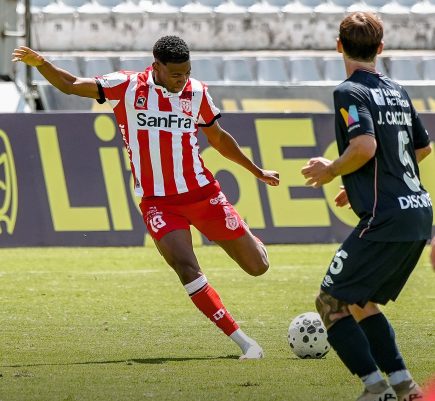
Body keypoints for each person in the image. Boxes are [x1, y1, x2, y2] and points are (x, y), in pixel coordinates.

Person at [12, 36, 280, 359]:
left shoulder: (196, 93)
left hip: (201, 193)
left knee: (257, 266)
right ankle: (244, 342)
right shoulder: (126, 86)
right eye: (176, 74)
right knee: (186, 268)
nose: (182, 80)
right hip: (158, 203)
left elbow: (219, 139)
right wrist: (42, 64)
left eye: (187, 72)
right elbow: (70, 85)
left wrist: (256, 171)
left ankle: (249, 239)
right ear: (156, 67)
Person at [301, 12, 432, 401]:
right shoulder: (397, 90)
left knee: (329, 302)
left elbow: (364, 146)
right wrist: (360, 181)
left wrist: (332, 170)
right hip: (418, 211)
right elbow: (422, 148)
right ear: (381, 48)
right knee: (359, 301)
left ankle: (375, 389)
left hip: (387, 216)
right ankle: (405, 386)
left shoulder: (349, 92)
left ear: (338, 45)